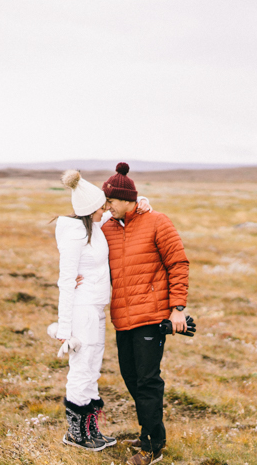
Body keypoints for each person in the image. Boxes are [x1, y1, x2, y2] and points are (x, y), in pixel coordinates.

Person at [52, 169, 150, 451]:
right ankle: (76, 433)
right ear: (89, 209)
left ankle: (91, 429)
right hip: (81, 311)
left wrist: (142, 200)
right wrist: (65, 328)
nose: (106, 208)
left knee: (92, 367)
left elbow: (127, 206)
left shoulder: (95, 224)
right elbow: (66, 282)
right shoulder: (75, 236)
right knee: (81, 368)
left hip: (96, 309)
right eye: (102, 205)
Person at [101, 162, 189, 465]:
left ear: (126, 199)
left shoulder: (157, 222)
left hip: (151, 316)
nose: (106, 205)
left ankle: (152, 448)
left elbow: (178, 264)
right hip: (122, 318)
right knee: (131, 377)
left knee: (148, 380)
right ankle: (152, 433)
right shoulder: (108, 228)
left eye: (110, 200)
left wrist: (178, 309)